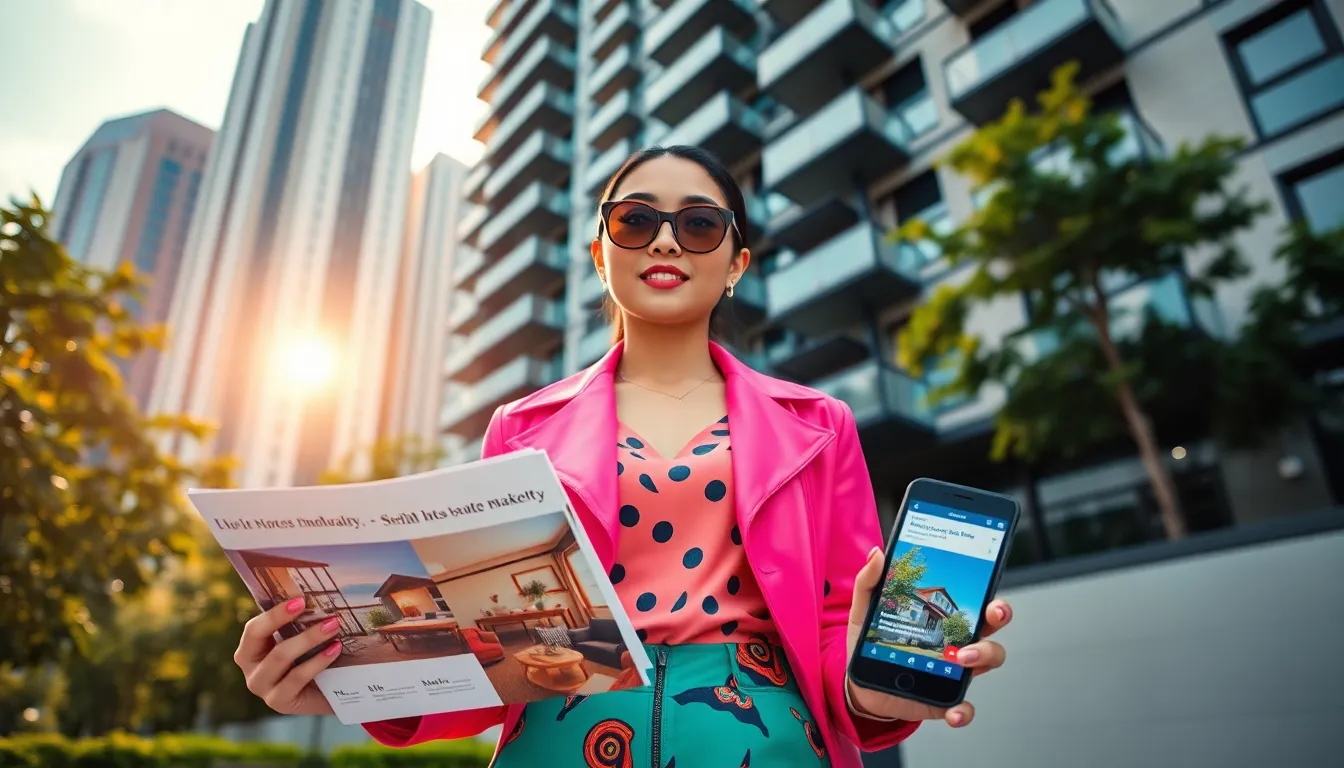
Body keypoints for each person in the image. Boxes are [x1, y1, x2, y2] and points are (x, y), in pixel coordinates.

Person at [231, 145, 1013, 767]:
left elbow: (842, 627)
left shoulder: (819, 424)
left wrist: (885, 692)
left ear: (737, 263)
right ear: (601, 254)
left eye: (700, 224)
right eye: (636, 220)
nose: (667, 238)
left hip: (765, 740)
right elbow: (485, 647)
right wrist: (346, 685)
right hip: (560, 735)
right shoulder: (519, 427)